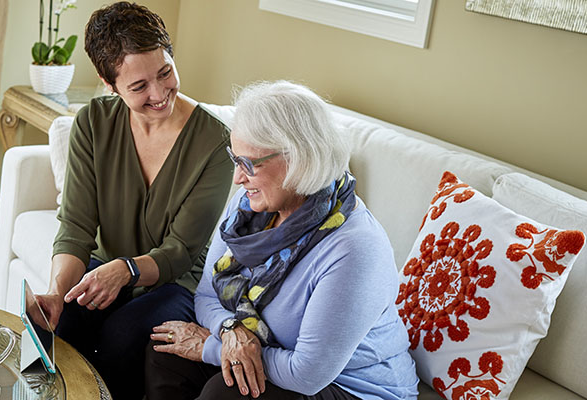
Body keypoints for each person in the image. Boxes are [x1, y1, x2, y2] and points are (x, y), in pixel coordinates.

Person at [145, 81, 420, 400]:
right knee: (165, 351)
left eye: (249, 163)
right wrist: (231, 331)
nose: (238, 178)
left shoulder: (354, 248)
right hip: (274, 356)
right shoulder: (249, 206)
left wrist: (210, 348)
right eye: (236, 160)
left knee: (227, 392)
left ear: (299, 159)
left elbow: (306, 376)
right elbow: (208, 293)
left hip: (353, 388)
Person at [35, 2, 233, 399]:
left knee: (121, 333)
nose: (160, 94)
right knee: (53, 325)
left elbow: (181, 251)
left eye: (165, 73)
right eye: (139, 86)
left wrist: (125, 270)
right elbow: (75, 227)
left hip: (176, 283)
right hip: (106, 271)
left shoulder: (214, 143)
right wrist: (57, 291)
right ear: (110, 84)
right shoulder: (93, 123)